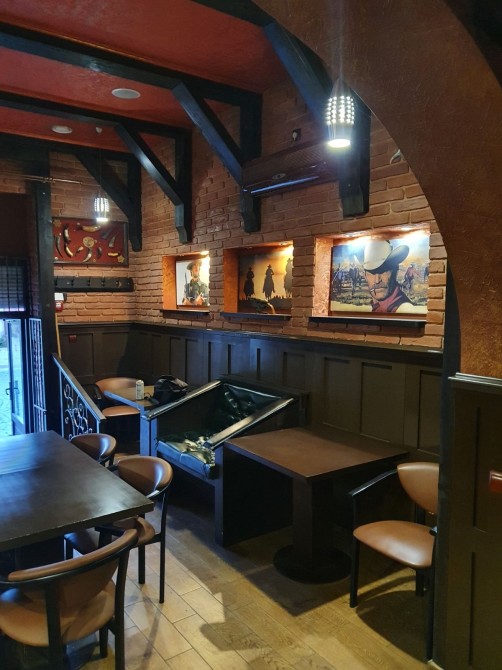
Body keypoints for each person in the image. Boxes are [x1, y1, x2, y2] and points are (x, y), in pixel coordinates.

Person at [360, 240, 424, 314]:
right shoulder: (377, 305)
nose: (377, 280)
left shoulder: (402, 308)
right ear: (365, 276)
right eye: (372, 273)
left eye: (384, 271)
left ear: (395, 271)